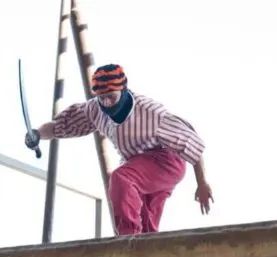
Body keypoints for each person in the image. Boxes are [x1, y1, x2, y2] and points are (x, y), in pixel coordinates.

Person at [25, 63, 213, 236]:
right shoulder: (94, 110)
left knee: (121, 179)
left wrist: (202, 183)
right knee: (147, 227)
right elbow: (62, 126)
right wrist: (38, 134)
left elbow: (191, 142)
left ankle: (127, 239)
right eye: (102, 98)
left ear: (123, 92)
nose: (106, 103)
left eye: (111, 97)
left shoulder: (151, 113)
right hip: (137, 166)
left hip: (167, 161)